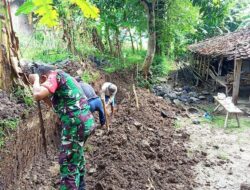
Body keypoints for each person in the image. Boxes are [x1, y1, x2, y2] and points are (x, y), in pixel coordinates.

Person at [28, 64, 95, 190]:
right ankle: (81, 187)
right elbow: (52, 103)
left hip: (76, 125)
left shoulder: (55, 75)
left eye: (43, 82)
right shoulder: (65, 78)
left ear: (44, 77)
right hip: (85, 123)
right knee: (77, 157)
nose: (43, 86)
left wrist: (35, 80)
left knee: (68, 163)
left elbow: (37, 94)